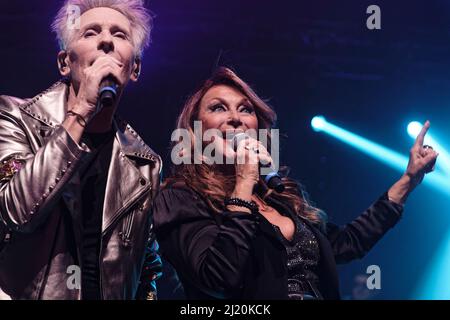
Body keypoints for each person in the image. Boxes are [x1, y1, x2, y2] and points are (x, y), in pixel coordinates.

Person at [153, 67, 438, 300]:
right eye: (218, 108)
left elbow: (345, 244)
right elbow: (219, 277)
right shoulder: (179, 198)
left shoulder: (281, 196)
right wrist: (242, 183)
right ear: (196, 132)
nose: (235, 119)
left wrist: (409, 180)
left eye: (245, 110)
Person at [0, 0, 162, 300]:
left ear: (135, 67)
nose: (105, 41)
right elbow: (17, 211)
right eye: (90, 33)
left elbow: (147, 267)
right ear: (65, 62)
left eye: (119, 35)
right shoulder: (14, 117)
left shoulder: (144, 162)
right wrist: (81, 110)